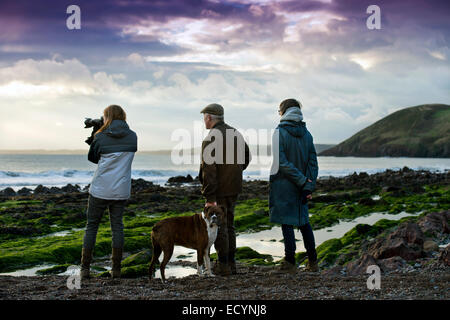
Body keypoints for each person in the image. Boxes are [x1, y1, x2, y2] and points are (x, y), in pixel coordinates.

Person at [80, 105, 137, 280]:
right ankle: (116, 270)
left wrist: (96, 133)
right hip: (120, 190)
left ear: (107, 117)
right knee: (117, 228)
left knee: (92, 227)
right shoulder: (133, 136)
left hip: (100, 190)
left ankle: (85, 270)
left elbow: (93, 158)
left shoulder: (101, 136)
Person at [199, 103, 251, 275]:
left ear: (209, 117)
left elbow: (209, 170)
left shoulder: (211, 137)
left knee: (219, 226)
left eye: (204, 117)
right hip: (234, 187)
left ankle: (223, 265)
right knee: (229, 225)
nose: (204, 120)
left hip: (219, 190)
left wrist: (209, 196)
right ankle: (231, 263)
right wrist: (234, 172)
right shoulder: (236, 133)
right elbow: (246, 158)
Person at [269, 98, 319, 273]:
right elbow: (313, 162)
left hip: (284, 185)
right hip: (302, 185)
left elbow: (281, 162)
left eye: (279, 111)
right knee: (304, 222)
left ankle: (290, 263)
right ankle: (313, 262)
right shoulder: (307, 134)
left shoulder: (279, 132)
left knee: (287, 223)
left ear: (283, 112)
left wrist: (303, 182)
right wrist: (308, 184)